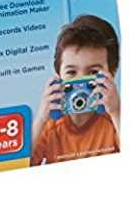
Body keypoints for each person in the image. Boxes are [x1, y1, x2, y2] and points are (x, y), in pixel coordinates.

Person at [32, 15, 120, 165]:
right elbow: (21, 164)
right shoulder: (50, 126)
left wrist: (116, 112)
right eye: (71, 72)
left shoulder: (114, 120)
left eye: (93, 72)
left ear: (111, 74)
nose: (80, 82)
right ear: (58, 75)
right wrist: (40, 119)